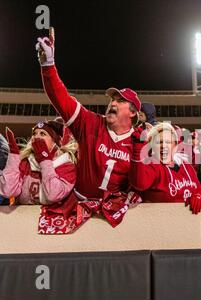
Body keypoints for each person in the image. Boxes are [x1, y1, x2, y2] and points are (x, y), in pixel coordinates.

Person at [35, 28, 141, 227]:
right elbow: (61, 100)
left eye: (120, 100)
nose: (113, 103)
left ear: (133, 112)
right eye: (112, 99)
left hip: (115, 218)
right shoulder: (91, 122)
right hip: (79, 206)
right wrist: (48, 65)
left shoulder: (139, 142)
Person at [0, 121, 84, 233]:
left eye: (43, 134)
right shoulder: (26, 162)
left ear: (55, 142)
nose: (37, 137)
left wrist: (44, 160)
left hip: (53, 224)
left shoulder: (66, 165)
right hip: (23, 222)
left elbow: (53, 195)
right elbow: (8, 191)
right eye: (34, 134)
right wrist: (14, 156)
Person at [128, 123, 201, 214]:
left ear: (175, 145)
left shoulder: (186, 165)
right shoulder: (153, 165)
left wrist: (199, 195)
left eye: (168, 142)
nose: (163, 146)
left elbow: (199, 188)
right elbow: (140, 183)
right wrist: (138, 150)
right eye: (159, 142)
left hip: (186, 223)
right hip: (161, 223)